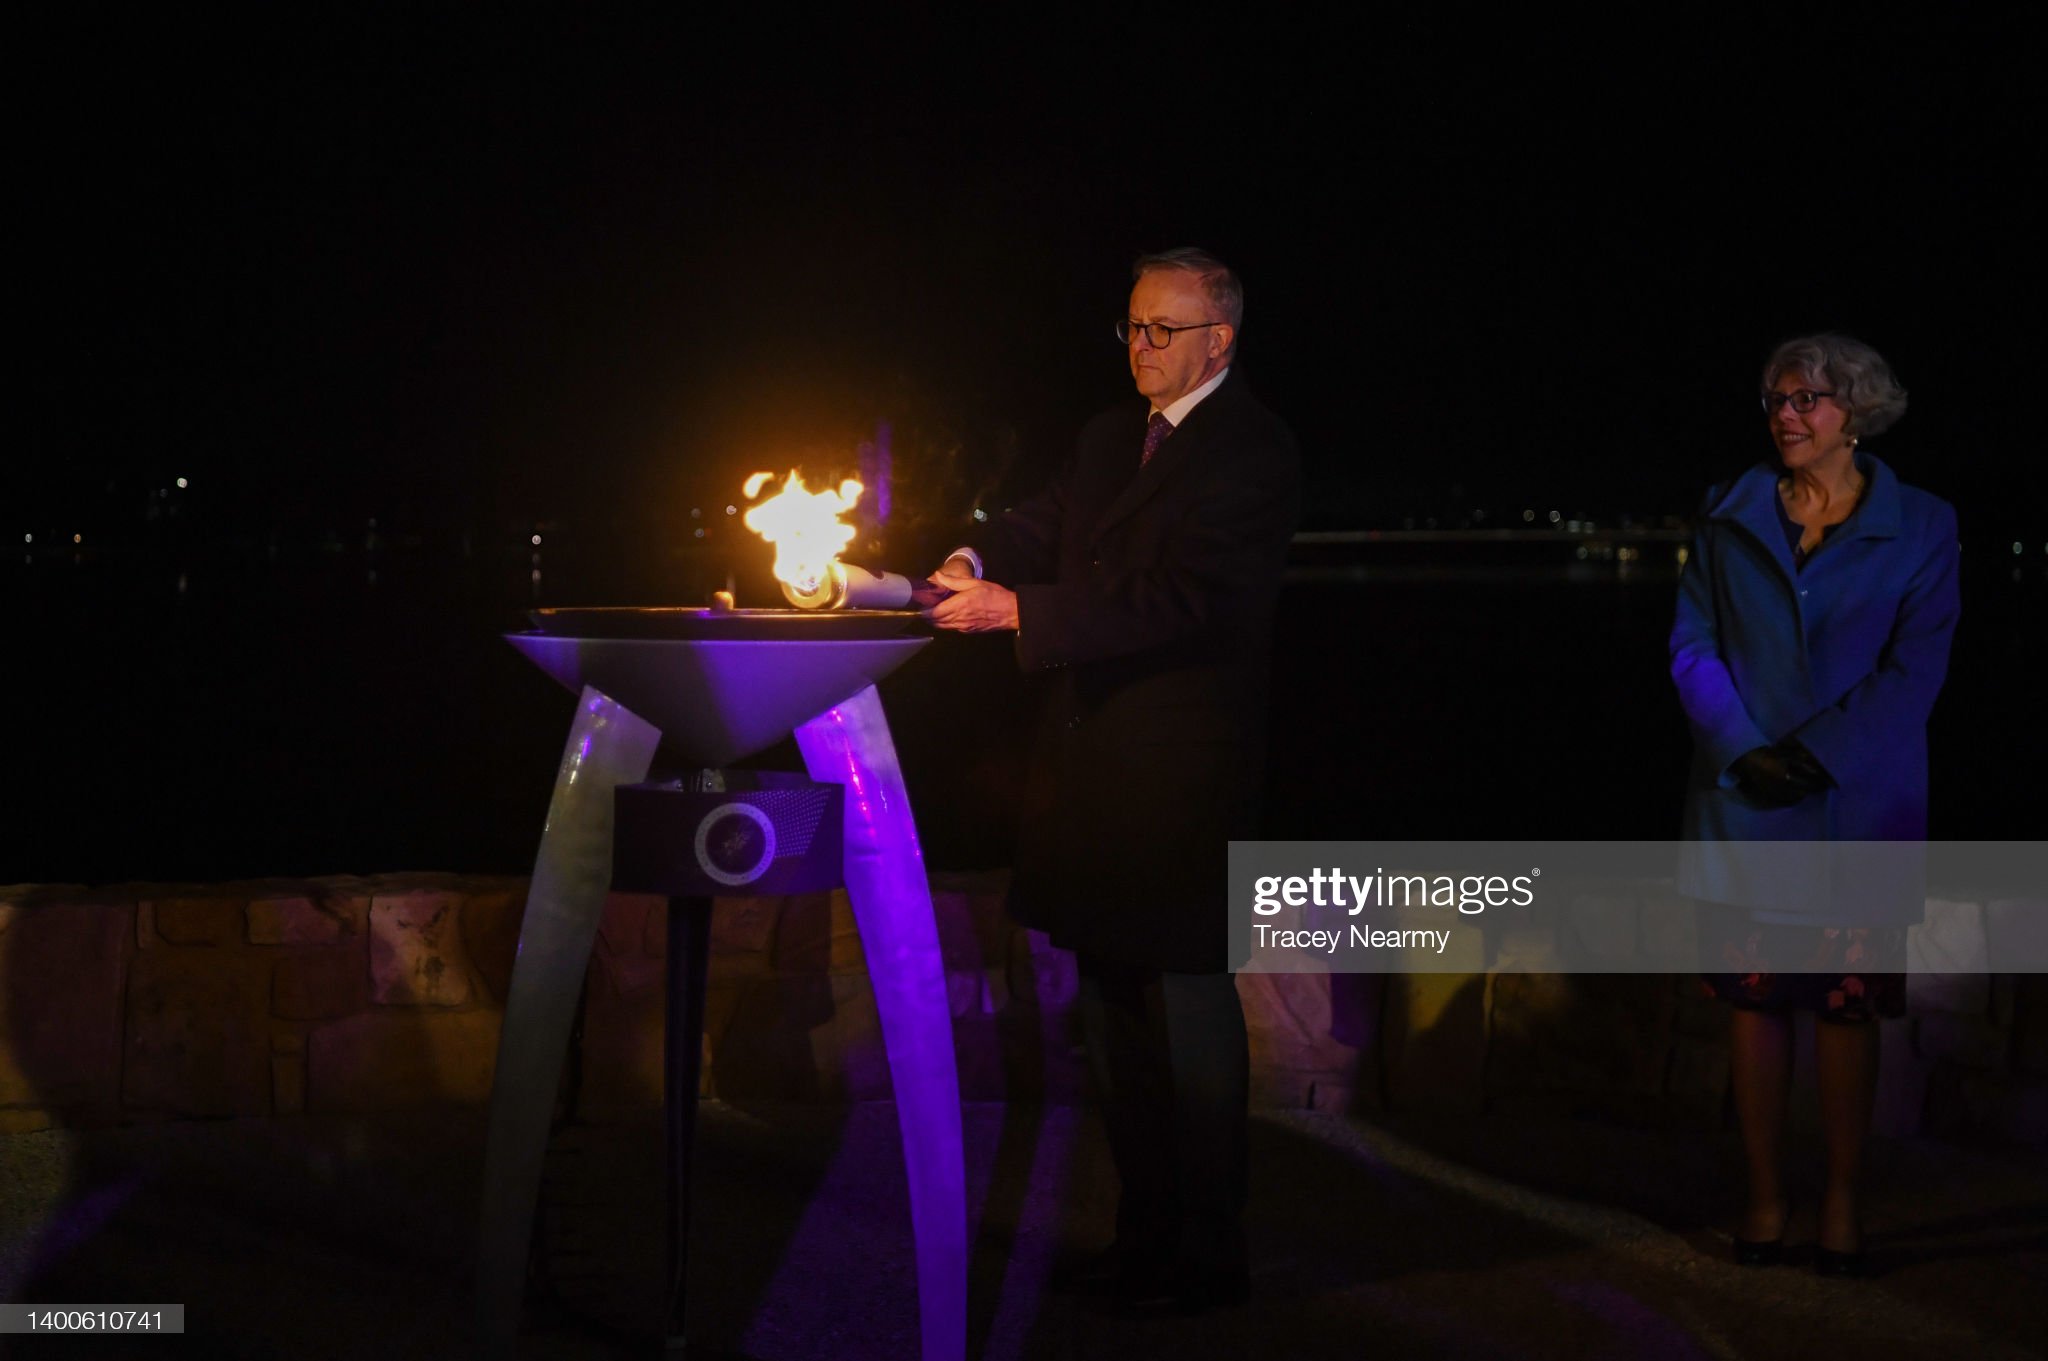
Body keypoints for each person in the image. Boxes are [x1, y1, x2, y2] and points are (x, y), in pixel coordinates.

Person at [927, 247, 1300, 1313]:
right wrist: (968, 556)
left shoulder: (1253, 452)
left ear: (1217, 339)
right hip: (1089, 769)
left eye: (1161, 331)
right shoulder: (1107, 437)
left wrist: (1020, 613)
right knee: (1109, 1011)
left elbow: (1181, 600)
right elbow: (1037, 524)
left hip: (1181, 775)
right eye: (1131, 327)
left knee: (1182, 1001)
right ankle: (1141, 1235)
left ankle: (1207, 1251)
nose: (1139, 347)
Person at [1669, 333, 1960, 1276]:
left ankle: (1839, 1202)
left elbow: (1916, 670)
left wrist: (1818, 753)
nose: (1785, 415)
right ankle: (1764, 1197)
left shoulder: (1923, 526)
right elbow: (1691, 644)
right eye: (1776, 399)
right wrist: (1745, 751)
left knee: (1843, 1012)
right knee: (1754, 1008)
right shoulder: (1728, 512)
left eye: (1807, 399)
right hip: (1746, 806)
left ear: (1858, 411)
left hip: (1855, 811)